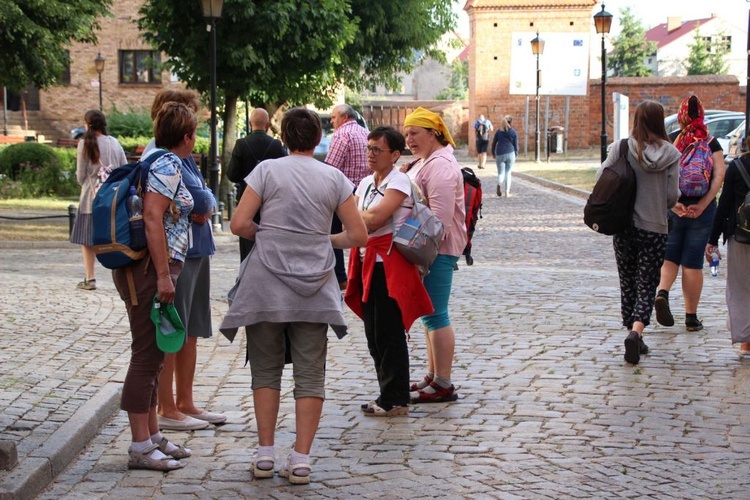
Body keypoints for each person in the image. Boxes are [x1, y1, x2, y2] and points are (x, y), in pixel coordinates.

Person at [219, 107, 367, 484]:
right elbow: (358, 235)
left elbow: (239, 223)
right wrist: (323, 239)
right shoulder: (333, 177)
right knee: (310, 374)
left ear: (283, 138)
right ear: (319, 139)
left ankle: (265, 453)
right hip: (315, 286)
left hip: (266, 283)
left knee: (265, 369)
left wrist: (268, 235)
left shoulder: (267, 171)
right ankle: (301, 458)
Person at [112, 102, 196, 471]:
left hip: (151, 268)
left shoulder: (156, 159)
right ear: (187, 137)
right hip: (148, 270)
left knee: (156, 354)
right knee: (146, 355)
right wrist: (163, 275)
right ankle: (139, 446)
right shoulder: (167, 163)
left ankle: (152, 435)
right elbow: (152, 217)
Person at [141, 89, 226, 432]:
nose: (195, 130)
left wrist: (201, 204)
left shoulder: (182, 157)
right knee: (173, 330)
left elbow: (203, 199)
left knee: (190, 330)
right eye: (190, 116)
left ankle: (184, 401)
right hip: (178, 254)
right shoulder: (164, 156)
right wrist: (200, 205)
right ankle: (168, 405)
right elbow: (199, 201)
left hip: (195, 249)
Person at [344, 127, 433, 417]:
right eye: (368, 148)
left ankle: (395, 399)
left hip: (389, 264)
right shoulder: (366, 182)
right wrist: (358, 219)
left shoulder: (400, 182)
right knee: (373, 333)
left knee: (389, 332)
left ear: (394, 155)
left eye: (376, 150)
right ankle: (387, 393)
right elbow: (359, 219)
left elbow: (375, 218)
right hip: (367, 259)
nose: (370, 154)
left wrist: (356, 218)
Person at [597, 101, 681, 365]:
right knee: (647, 283)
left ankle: (632, 333)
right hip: (654, 228)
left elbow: (602, 177)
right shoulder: (671, 153)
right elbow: (671, 196)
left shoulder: (622, 147)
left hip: (624, 226)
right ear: (659, 121)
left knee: (628, 281)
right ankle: (637, 332)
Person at [402, 107, 467, 403]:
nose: (409, 139)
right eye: (406, 133)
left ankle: (443, 382)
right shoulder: (430, 160)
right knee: (429, 315)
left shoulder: (440, 166)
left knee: (436, 314)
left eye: (414, 133)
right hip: (430, 249)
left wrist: (421, 258)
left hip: (436, 249)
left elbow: (437, 220)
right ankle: (433, 375)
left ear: (432, 133)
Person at [654, 95, 726, 332]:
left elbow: (661, 175)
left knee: (670, 256)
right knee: (693, 263)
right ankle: (691, 317)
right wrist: (704, 204)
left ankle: (662, 292)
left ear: (682, 116)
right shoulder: (712, 143)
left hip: (675, 208)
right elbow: (718, 177)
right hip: (701, 212)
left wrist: (673, 204)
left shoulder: (673, 141)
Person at [70, 109, 127, 290]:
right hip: (112, 198)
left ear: (88, 125)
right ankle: (121, 274)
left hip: (90, 198)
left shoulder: (84, 144)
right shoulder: (114, 143)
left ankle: (90, 278)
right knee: (113, 237)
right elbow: (124, 168)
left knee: (87, 240)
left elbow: (80, 175)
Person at [707, 136, 750, 355]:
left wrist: (713, 240)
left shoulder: (738, 167)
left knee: (740, 288)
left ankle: (746, 341)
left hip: (740, 234)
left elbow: (723, 206)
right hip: (739, 234)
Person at [227, 107, 287, 261]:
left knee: (247, 246)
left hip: (247, 201)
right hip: (271, 201)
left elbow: (233, 175)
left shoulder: (242, 144)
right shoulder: (275, 145)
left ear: (249, 123)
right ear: (267, 125)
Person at [325, 103, 369, 289]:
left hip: (345, 193)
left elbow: (330, 169)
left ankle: (340, 276)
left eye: (334, 117)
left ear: (344, 117)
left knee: (334, 232)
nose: (332, 121)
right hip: (366, 192)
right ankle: (362, 274)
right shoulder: (366, 133)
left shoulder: (342, 134)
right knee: (363, 234)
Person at [491, 116, 519, 197]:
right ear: (510, 122)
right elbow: (516, 145)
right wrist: (516, 153)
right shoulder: (513, 132)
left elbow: (494, 143)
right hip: (510, 153)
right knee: (508, 173)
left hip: (500, 153)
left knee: (501, 173)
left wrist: (493, 152)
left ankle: (499, 183)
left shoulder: (499, 132)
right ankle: (507, 192)